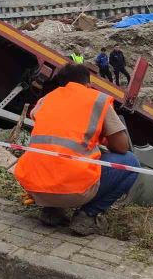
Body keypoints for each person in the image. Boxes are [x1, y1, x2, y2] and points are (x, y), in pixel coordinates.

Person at [14, 63, 139, 236]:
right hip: (72, 189)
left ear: (61, 84)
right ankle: (87, 216)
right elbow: (122, 146)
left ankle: (52, 211)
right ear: (88, 84)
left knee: (56, 158)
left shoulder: (46, 100)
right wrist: (101, 136)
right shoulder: (97, 100)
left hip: (35, 186)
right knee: (130, 163)